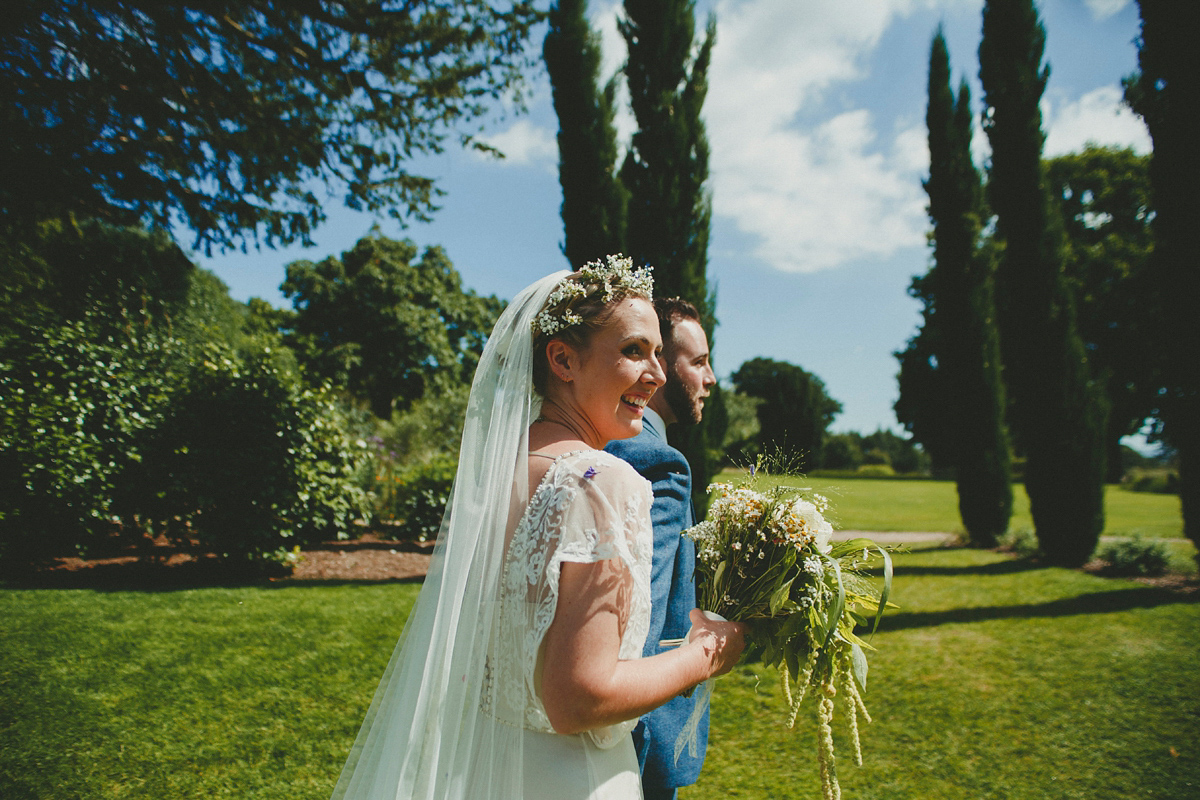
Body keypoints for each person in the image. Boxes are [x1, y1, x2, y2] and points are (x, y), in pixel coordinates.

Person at [331, 257, 744, 800]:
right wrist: (710, 652)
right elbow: (579, 698)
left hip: (480, 767)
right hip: (577, 779)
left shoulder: (498, 471)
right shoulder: (601, 481)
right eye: (633, 351)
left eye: (659, 354)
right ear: (563, 360)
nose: (658, 374)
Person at [604, 298, 718, 800]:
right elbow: (633, 632)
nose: (710, 378)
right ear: (662, 368)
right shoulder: (654, 460)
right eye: (698, 362)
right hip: (635, 738)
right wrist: (719, 646)